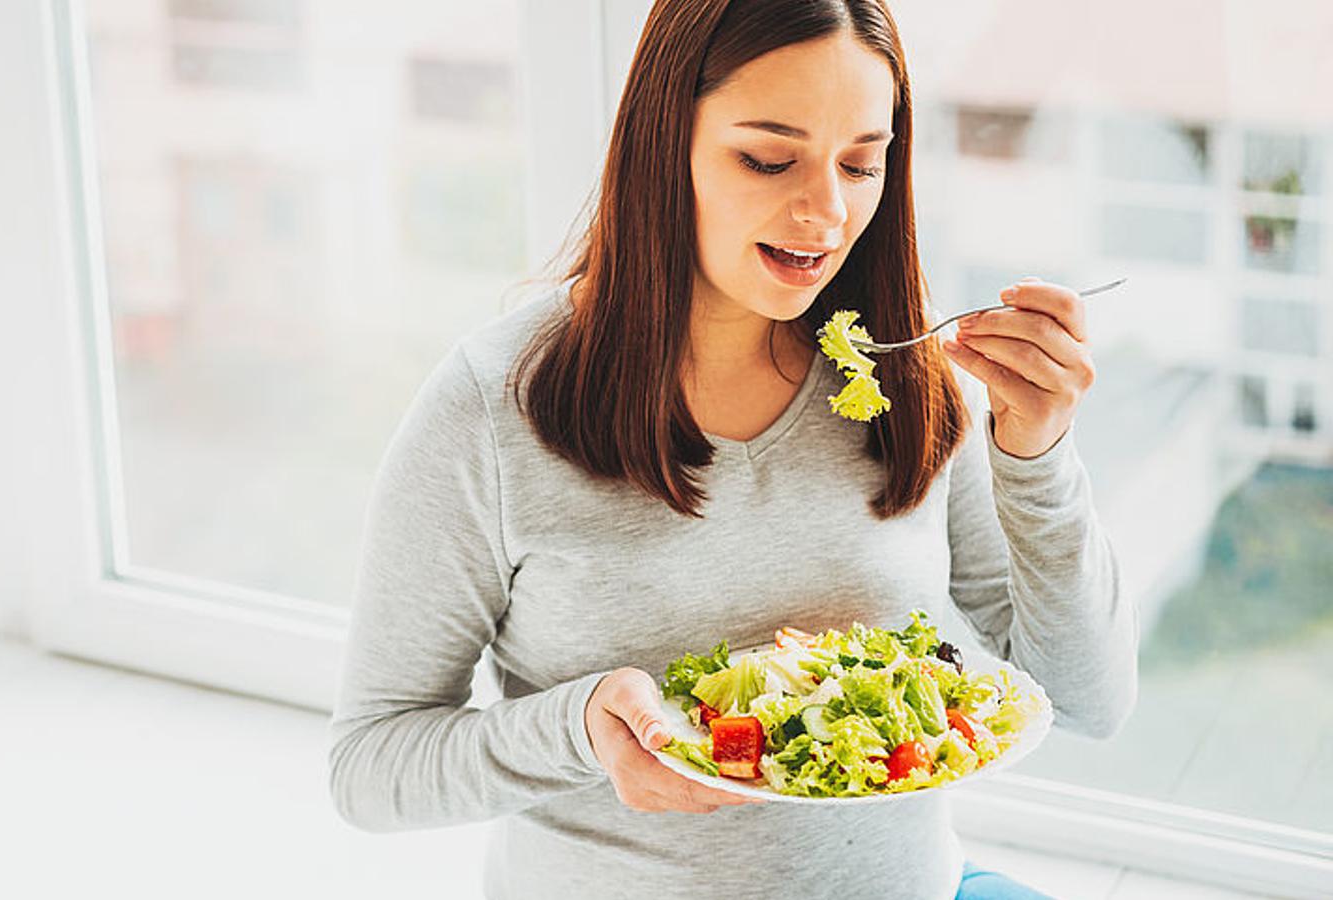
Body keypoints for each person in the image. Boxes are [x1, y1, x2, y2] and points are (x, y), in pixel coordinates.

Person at [327, 1, 1138, 897]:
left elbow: (1085, 700)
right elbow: (370, 767)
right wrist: (576, 730)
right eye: (768, 158)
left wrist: (1039, 457)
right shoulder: (492, 408)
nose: (827, 213)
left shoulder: (900, 375)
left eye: (862, 163)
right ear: (662, 143)